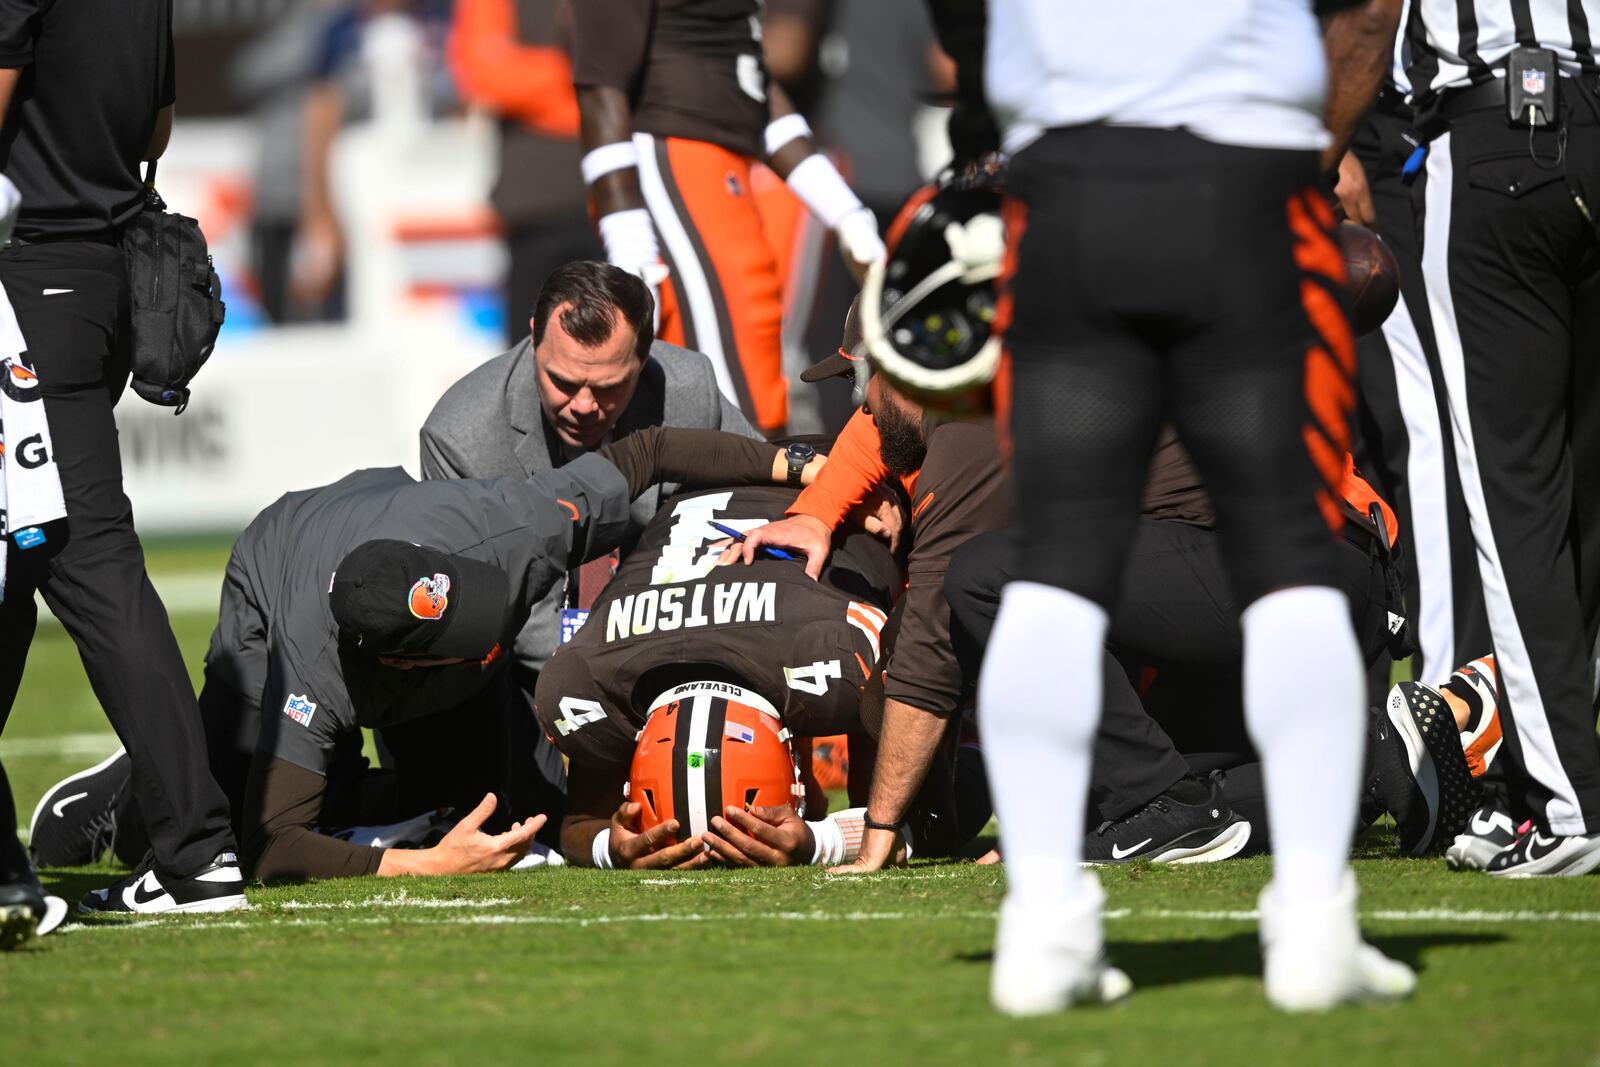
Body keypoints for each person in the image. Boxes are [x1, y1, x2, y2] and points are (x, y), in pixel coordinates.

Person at [958, 0, 1413, 1015]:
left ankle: (1042, 929)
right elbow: (1369, 12)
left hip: (1067, 187)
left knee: (1052, 567)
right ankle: (1313, 925)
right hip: (1244, 178)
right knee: (1288, 559)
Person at [37, 426, 823, 883]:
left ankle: (373, 800)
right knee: (228, 824)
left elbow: (649, 452)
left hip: (380, 520)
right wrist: (421, 869)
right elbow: (278, 843)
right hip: (273, 570)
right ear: (402, 669)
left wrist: (797, 468)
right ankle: (129, 793)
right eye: (470, 647)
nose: (492, 646)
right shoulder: (311, 666)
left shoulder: (514, 525)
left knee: (480, 809)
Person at [0, 0, 245, 915]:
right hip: (100, 278)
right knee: (17, 564)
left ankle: (196, 849)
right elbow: (156, 123)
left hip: (28, 281)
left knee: (87, 559)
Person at [1406, 0, 1600, 877]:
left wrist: (1320, 150)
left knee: (1511, 495)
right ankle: (1541, 786)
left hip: (1494, 143)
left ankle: (1568, 802)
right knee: (1584, 502)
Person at [535, 477, 908, 869]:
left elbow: (913, 820)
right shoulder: (595, 674)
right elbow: (578, 825)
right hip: (706, 491)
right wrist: (616, 847)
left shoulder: (846, 654)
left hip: (836, 477)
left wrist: (819, 841)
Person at [569, 0, 885, 434]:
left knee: (758, 363)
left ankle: (748, 488)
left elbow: (750, 86)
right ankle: (727, 496)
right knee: (722, 398)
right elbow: (600, 84)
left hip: (727, 169)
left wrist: (843, 210)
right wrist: (629, 239)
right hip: (671, 162)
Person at [446, 0, 603, 346]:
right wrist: (582, 80)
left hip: (617, 205)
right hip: (536, 212)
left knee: (622, 361)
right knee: (530, 364)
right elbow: (481, 72)